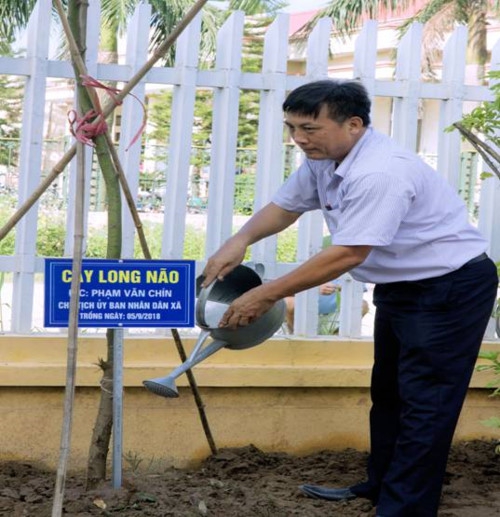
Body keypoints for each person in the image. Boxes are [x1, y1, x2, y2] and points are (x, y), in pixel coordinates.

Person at [201, 79, 498, 516]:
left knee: (426, 402)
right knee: (391, 392)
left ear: (354, 124)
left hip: (449, 287)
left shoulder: (380, 171)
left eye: (309, 128)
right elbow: (286, 206)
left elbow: (349, 253)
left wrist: (265, 295)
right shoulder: (326, 158)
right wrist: (240, 239)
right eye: (292, 128)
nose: (298, 139)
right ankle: (382, 487)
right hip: (403, 285)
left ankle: (404, 509)